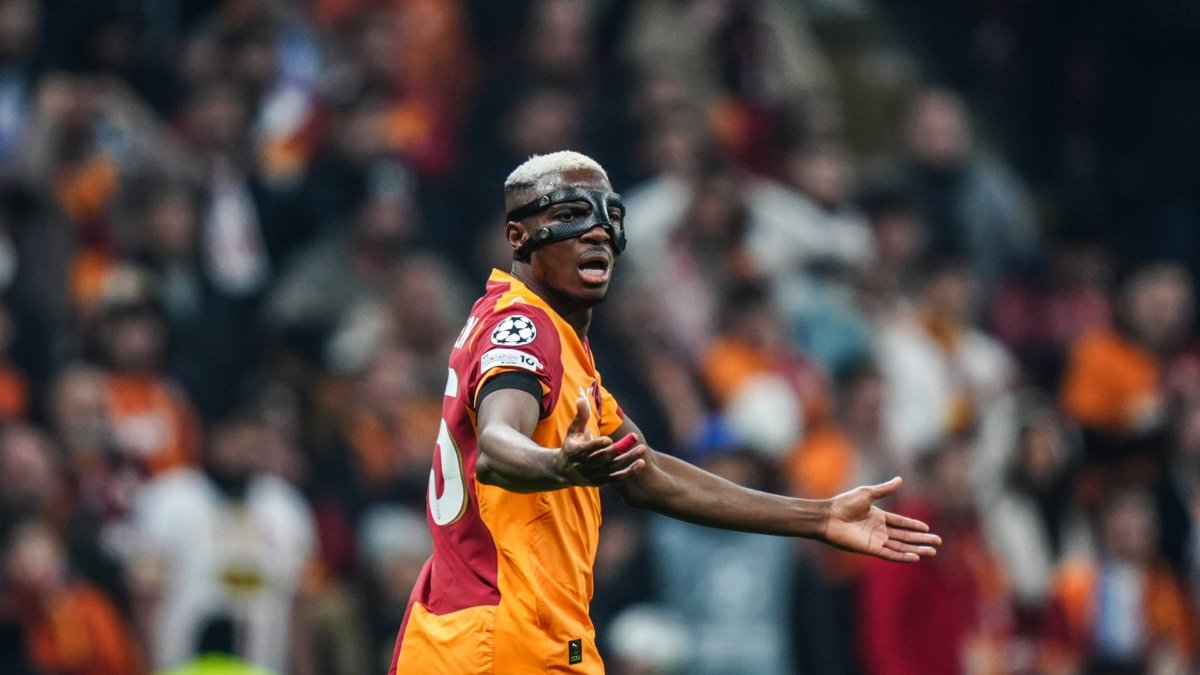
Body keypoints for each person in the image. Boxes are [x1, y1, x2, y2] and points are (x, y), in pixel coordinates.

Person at [389, 151, 941, 674]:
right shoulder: (526, 328)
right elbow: (497, 443)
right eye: (571, 215)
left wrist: (816, 517)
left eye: (610, 215)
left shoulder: (553, 341)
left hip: (481, 633)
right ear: (518, 236)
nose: (597, 230)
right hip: (505, 638)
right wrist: (559, 465)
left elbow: (648, 474)